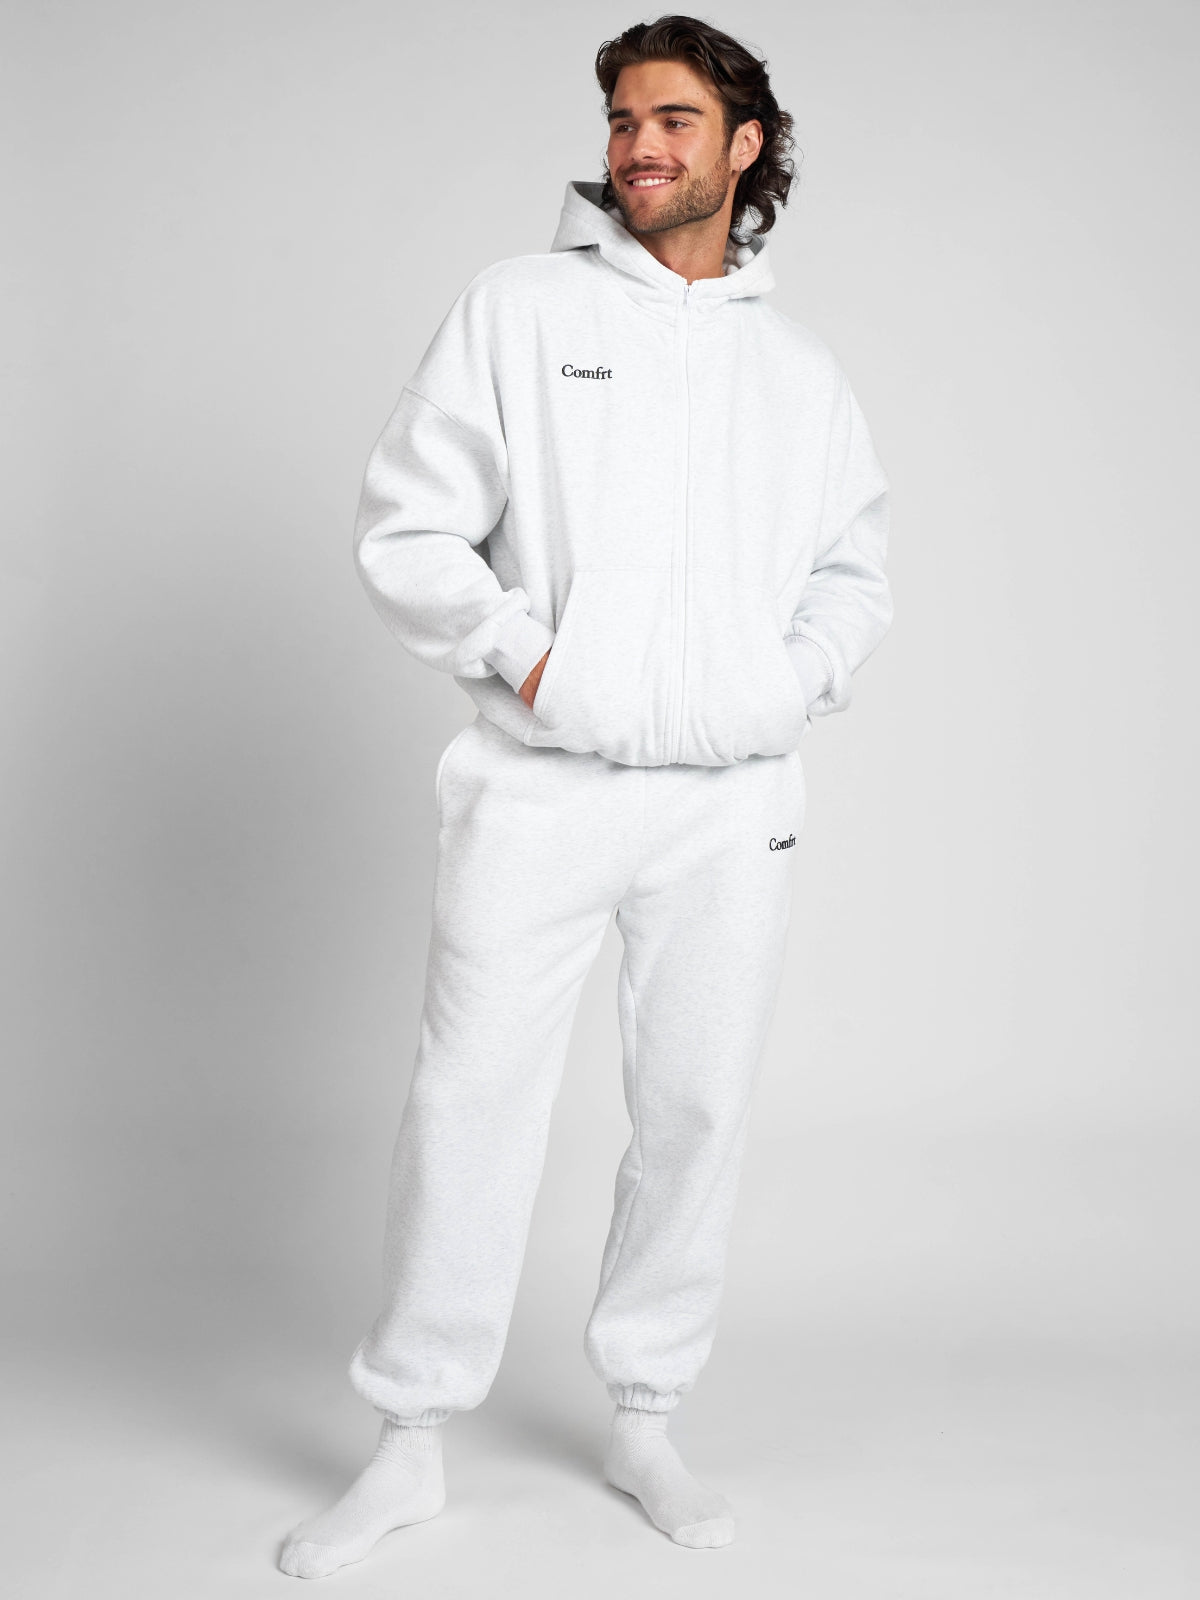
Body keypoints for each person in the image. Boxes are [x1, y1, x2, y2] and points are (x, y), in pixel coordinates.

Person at [279, 13, 892, 1579]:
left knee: (694, 1109)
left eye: (674, 119)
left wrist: (786, 687)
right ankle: (410, 1439)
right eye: (624, 118)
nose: (639, 145)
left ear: (746, 145)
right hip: (539, 789)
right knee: (469, 1102)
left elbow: (853, 574)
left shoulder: (801, 373)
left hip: (728, 802)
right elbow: (409, 528)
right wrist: (538, 668)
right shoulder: (519, 310)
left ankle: (646, 1415)